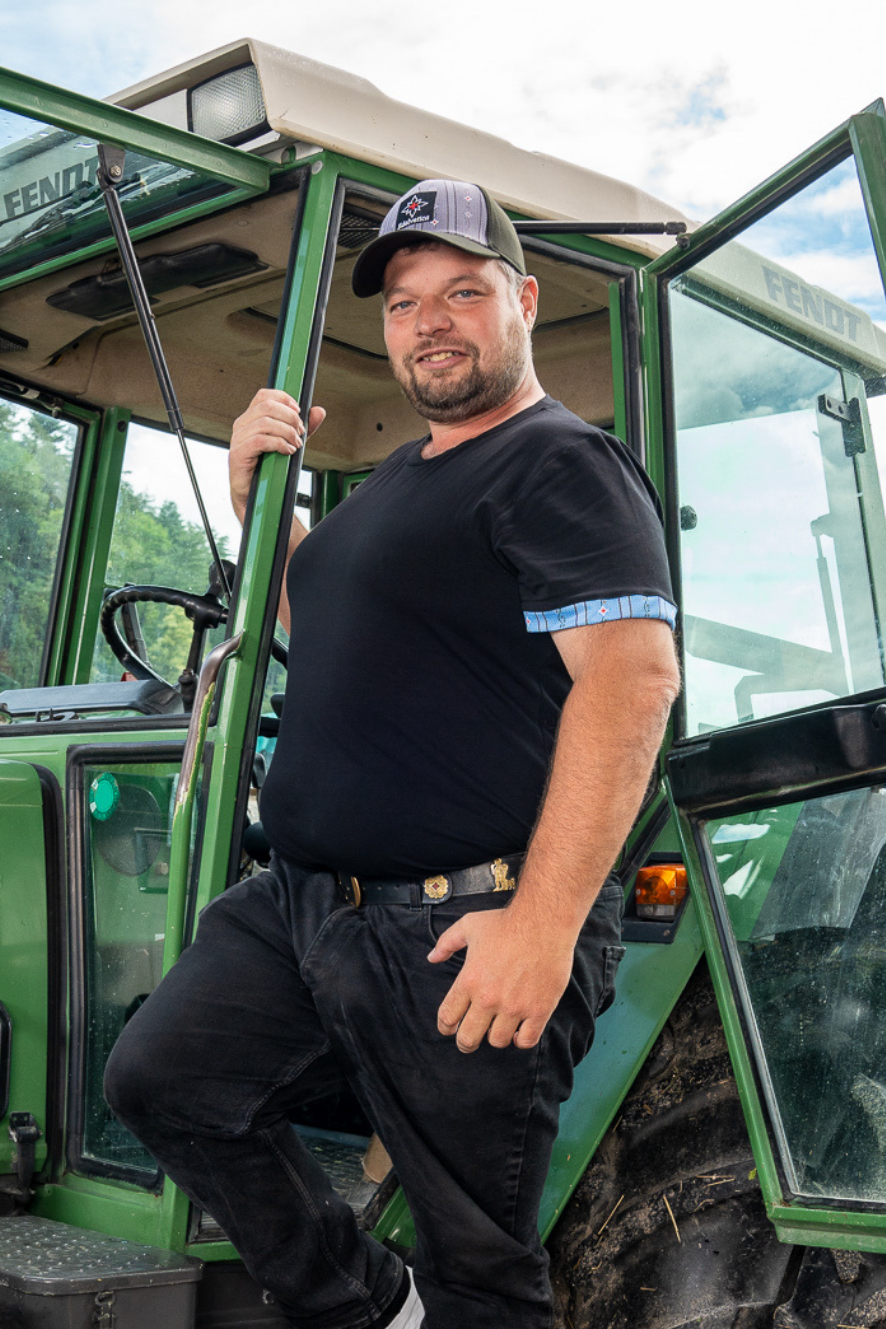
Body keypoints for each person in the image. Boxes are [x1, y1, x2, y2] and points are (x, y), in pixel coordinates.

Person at [105, 178, 680, 1329]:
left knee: (479, 1268)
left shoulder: (559, 462)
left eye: (462, 292)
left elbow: (631, 681)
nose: (431, 321)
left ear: (518, 301)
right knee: (163, 1081)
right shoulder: (388, 491)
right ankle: (368, 1309)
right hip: (305, 906)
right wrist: (255, 499)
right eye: (407, 303)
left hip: (459, 927)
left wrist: (546, 927)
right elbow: (316, 632)